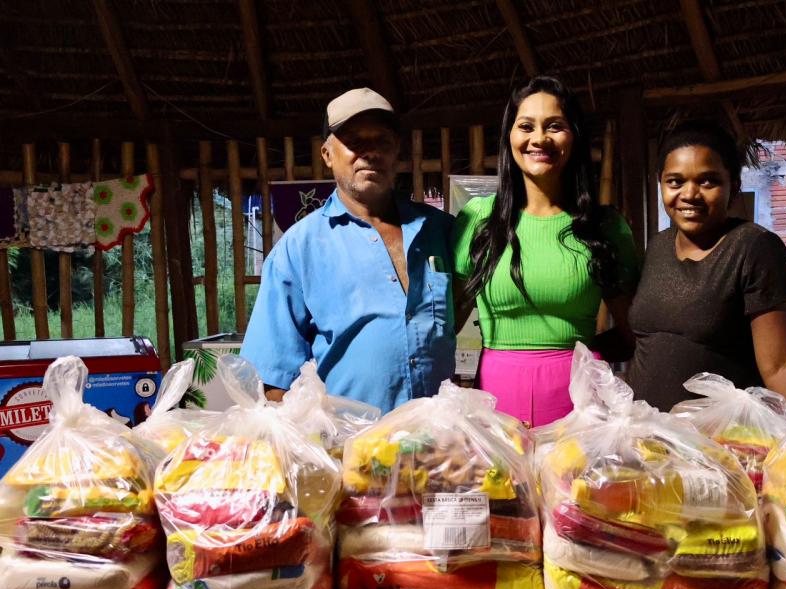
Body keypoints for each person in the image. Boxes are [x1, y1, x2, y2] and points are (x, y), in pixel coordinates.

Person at [241, 88, 456, 413]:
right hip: (348, 453)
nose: (370, 153)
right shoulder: (299, 249)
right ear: (327, 154)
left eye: (382, 141)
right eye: (355, 141)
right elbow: (273, 382)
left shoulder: (440, 230)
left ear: (396, 150)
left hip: (435, 449)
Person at [452, 76, 640, 428]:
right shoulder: (478, 220)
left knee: (574, 484)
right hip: (496, 399)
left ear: (575, 137)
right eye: (526, 126)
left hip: (579, 402)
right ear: (510, 137)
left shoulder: (606, 227)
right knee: (502, 483)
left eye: (555, 126)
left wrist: (582, 361)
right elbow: (443, 324)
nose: (539, 138)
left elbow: (635, 332)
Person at [628, 121, 786, 421]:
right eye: (675, 182)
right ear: (660, 183)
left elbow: (782, 364)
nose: (689, 194)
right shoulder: (658, 248)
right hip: (650, 442)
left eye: (708, 182)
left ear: (734, 186)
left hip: (723, 444)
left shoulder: (754, 248)